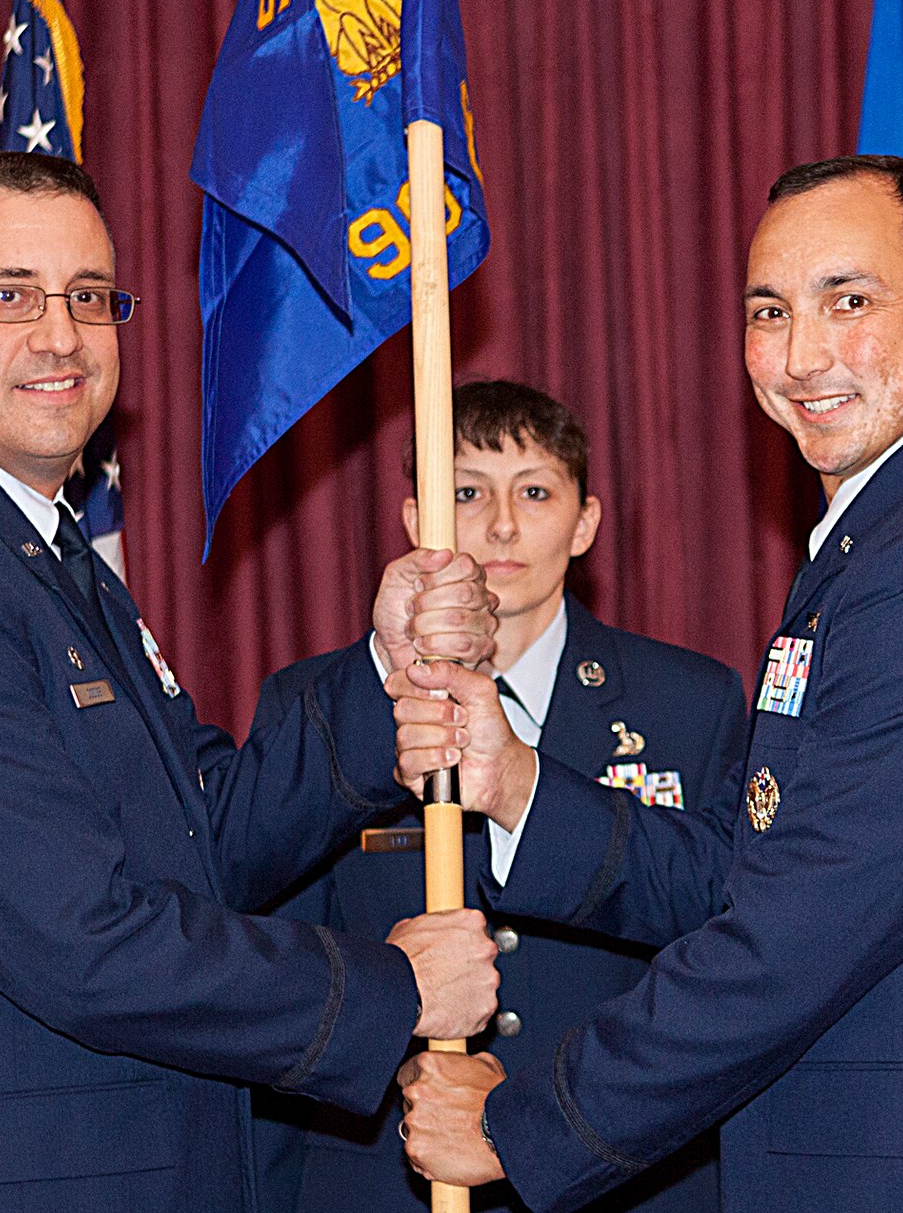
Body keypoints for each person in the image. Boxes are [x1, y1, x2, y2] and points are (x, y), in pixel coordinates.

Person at [387, 156, 903, 1212]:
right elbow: (746, 868)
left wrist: (520, 1120)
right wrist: (518, 784)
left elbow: (790, 940)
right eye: (769, 310)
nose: (801, 354)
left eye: (848, 301)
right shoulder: (878, 545)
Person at [0, 150, 502, 1213]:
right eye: (7, 295)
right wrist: (386, 988)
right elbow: (77, 938)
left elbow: (203, 830)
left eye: (88, 297)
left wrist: (389, 668)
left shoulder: (31, 547)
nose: (59, 335)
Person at [252, 381, 746, 1213]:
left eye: (537, 491)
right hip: (389, 1170)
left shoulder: (691, 705)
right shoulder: (328, 712)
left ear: (585, 521)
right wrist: (395, 1047)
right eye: (468, 493)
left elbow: (727, 946)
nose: (503, 525)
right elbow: (280, 954)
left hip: (619, 1177)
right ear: (417, 521)